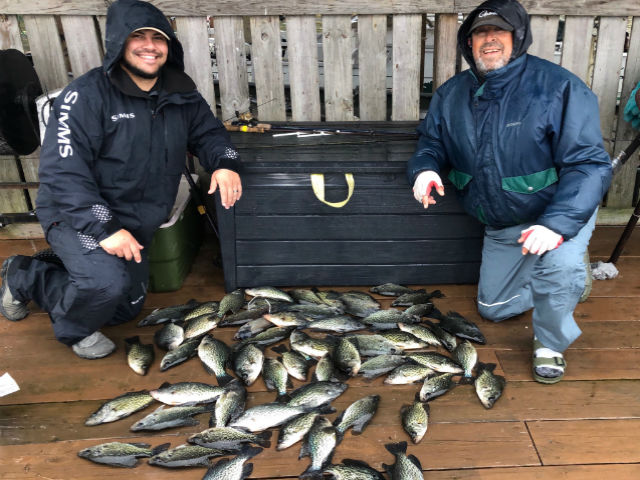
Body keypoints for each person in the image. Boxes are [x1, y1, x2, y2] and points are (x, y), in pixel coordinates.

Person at [0, 0, 242, 359]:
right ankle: (40, 292)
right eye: (138, 37)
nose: (149, 45)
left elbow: (210, 135)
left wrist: (225, 163)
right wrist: (106, 228)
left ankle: (52, 269)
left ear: (168, 46)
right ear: (118, 44)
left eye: (157, 38)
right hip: (75, 215)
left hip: (138, 220)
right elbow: (64, 175)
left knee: (124, 308)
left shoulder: (182, 94)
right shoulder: (84, 96)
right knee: (104, 285)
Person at [407, 0, 612, 384]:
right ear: (468, 44)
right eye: (480, 33)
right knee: (493, 309)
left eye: (499, 31)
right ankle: (560, 278)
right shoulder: (451, 94)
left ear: (518, 38)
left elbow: (589, 165)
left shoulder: (560, 86)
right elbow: (430, 142)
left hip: (556, 212)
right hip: (504, 222)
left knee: (559, 266)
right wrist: (425, 170)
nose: (489, 40)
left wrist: (556, 225)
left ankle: (551, 339)